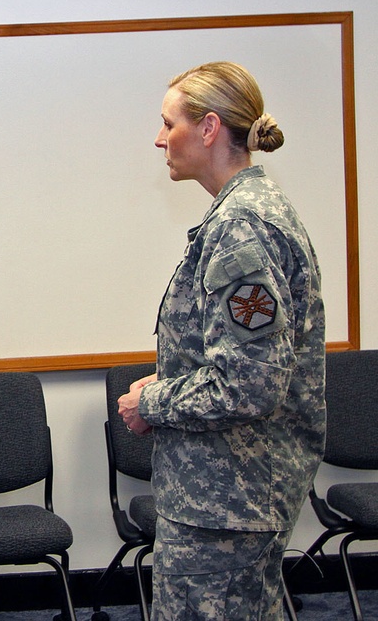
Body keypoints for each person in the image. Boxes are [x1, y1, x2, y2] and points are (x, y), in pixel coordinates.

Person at [117, 62, 326, 620]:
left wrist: (153, 402)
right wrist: (170, 382)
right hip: (234, 496)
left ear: (208, 128)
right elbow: (241, 359)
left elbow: (250, 385)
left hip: (225, 504)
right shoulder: (246, 213)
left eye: (169, 122)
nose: (159, 137)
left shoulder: (242, 228)